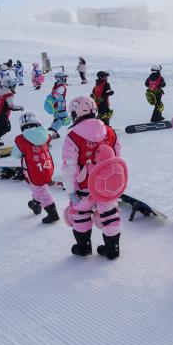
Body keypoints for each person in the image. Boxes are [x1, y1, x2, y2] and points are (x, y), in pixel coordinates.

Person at [62, 96, 123, 259]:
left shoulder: (73, 137)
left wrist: (70, 190)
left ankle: (84, 247)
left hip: (84, 187)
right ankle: (113, 249)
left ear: (75, 113)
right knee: (110, 214)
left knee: (81, 214)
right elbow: (117, 158)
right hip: (107, 186)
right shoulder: (110, 132)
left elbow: (69, 167)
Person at [13, 112, 59, 224]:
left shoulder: (21, 139)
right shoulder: (44, 134)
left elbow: (16, 155)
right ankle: (36, 204)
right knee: (37, 187)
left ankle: (53, 214)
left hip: (34, 171)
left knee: (40, 190)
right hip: (47, 167)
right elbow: (50, 135)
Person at [47, 71, 70, 137]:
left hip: (55, 105)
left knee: (57, 118)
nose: (66, 79)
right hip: (60, 105)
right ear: (61, 78)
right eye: (65, 78)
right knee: (64, 118)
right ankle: (53, 131)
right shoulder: (61, 87)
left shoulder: (56, 85)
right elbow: (57, 95)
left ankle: (51, 130)